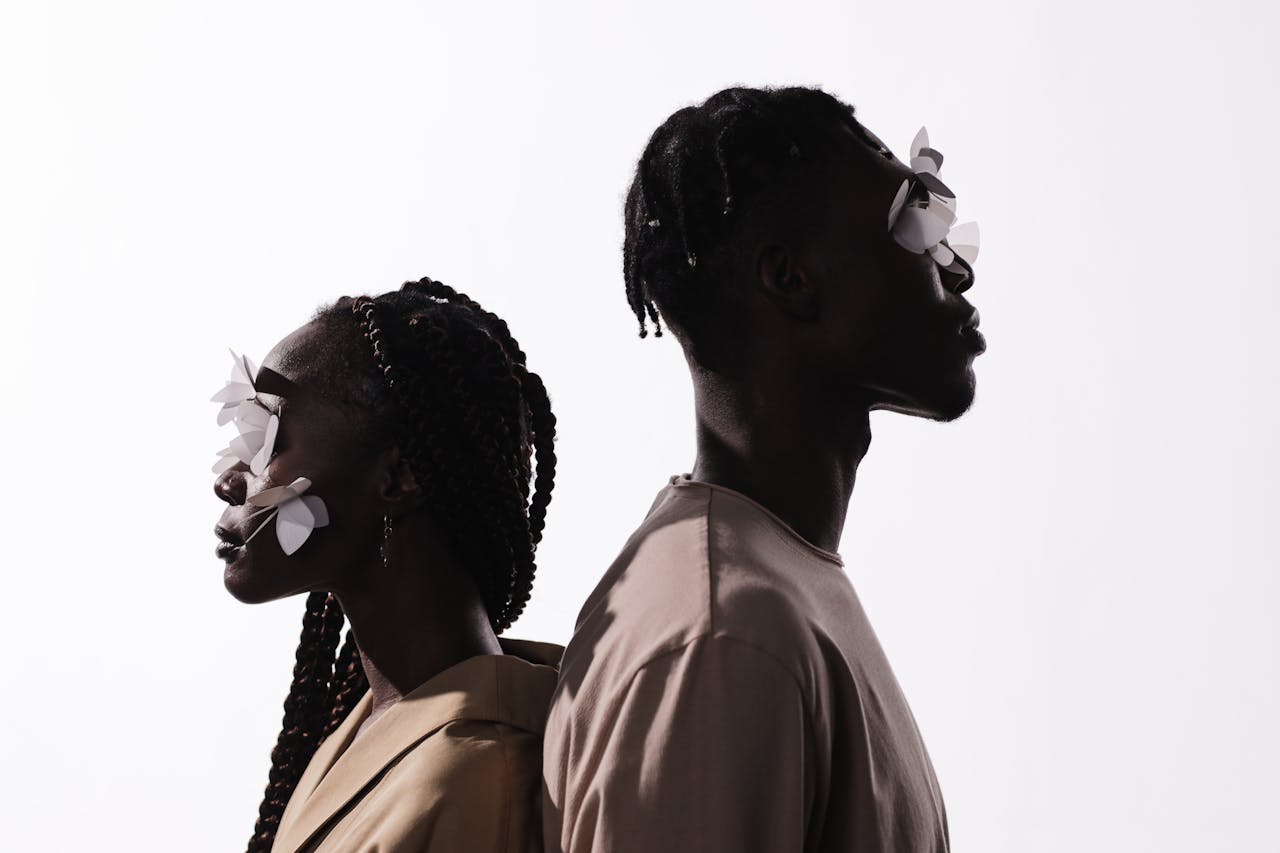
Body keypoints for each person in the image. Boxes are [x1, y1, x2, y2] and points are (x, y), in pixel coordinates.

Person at [543, 86, 983, 852]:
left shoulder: (770, 588)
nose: (957, 269)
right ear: (789, 278)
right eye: (912, 224)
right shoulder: (723, 634)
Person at [213, 278, 560, 853]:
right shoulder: (358, 726)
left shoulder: (477, 776)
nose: (229, 481)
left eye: (269, 439)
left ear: (398, 478)